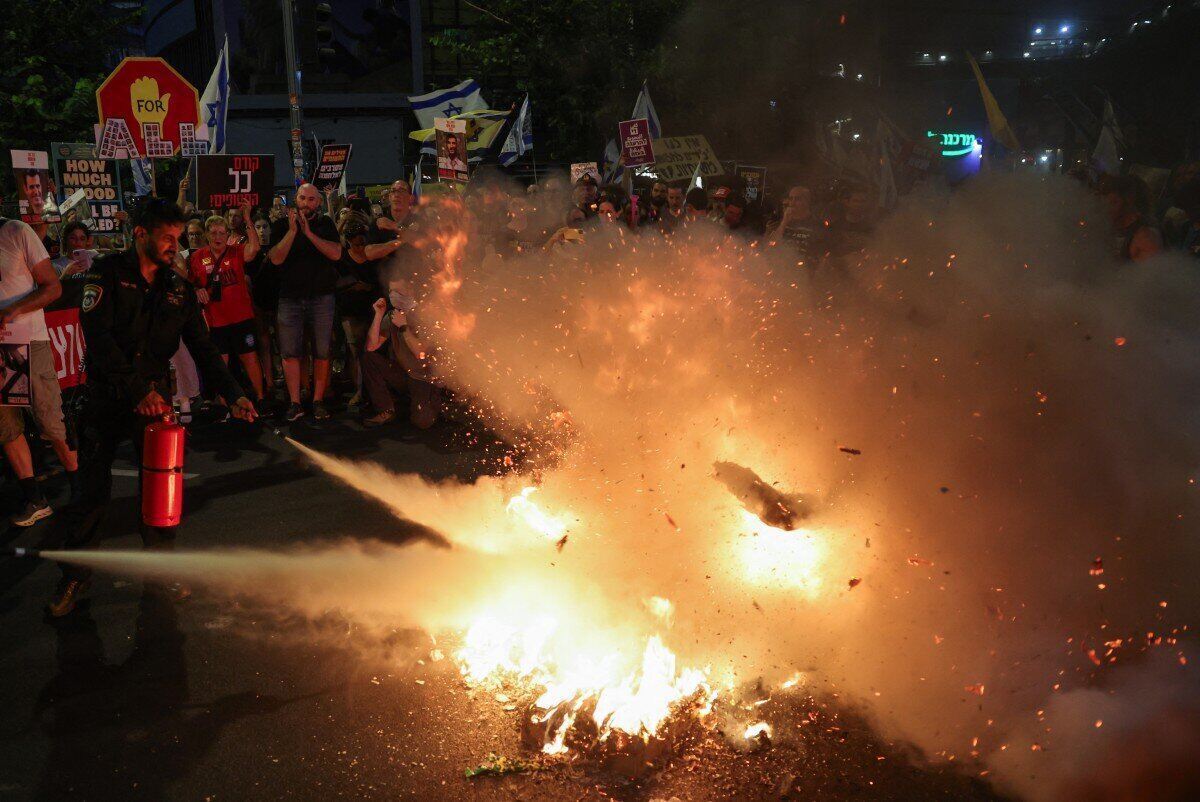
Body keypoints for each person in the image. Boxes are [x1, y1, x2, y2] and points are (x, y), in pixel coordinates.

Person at [47, 197, 256, 616]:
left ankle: (160, 574)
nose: (173, 247)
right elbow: (98, 337)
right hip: (107, 398)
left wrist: (234, 393)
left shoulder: (176, 288)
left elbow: (203, 347)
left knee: (162, 492)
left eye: (178, 239)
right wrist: (138, 389)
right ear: (140, 233)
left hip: (155, 405)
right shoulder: (104, 274)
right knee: (90, 493)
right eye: (166, 238)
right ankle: (75, 576)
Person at [0, 214, 80, 526]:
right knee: (6, 425)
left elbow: (53, 287)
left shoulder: (15, 231)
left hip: (26, 340)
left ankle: (79, 489)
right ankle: (34, 497)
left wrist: (12, 311)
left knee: (49, 420)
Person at [268, 183, 342, 422]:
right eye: (302, 198)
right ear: (295, 199)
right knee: (290, 352)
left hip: (321, 297)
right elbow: (276, 259)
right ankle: (295, 402)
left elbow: (336, 253)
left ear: (318, 203)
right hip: (289, 298)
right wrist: (292, 231)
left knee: (321, 350)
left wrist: (309, 233)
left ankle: (318, 400)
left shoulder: (325, 225)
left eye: (312, 199)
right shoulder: (281, 226)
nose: (306, 203)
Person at [188, 202, 265, 403]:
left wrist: (247, 218)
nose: (218, 237)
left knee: (249, 358)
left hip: (242, 318)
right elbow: (192, 283)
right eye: (213, 233)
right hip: (216, 321)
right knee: (220, 363)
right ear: (206, 235)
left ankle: (260, 399)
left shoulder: (236, 251)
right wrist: (197, 290)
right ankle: (225, 405)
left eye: (222, 233)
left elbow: (255, 248)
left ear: (226, 234)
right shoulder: (197, 257)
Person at [360, 281, 439, 429]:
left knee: (422, 422)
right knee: (369, 358)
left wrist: (404, 327)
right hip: (403, 373)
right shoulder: (393, 315)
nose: (393, 295)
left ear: (410, 290)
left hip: (423, 378)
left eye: (397, 291)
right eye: (391, 291)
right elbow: (371, 347)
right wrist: (378, 315)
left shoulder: (425, 315)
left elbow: (420, 353)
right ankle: (386, 409)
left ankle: (431, 402)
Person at [335, 212, 384, 406]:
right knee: (355, 352)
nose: (361, 248)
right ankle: (359, 391)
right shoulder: (343, 259)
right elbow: (336, 283)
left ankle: (373, 391)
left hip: (371, 311)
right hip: (351, 311)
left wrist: (369, 287)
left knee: (372, 352)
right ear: (348, 243)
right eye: (356, 245)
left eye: (363, 244)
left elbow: (380, 281)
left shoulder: (373, 258)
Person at [1102, 174, 1163, 262]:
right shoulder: (1114, 229)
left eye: (1114, 202)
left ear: (1130, 202)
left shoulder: (1145, 238)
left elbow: (1153, 274)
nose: (1106, 208)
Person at [768, 185, 824, 265]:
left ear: (807, 201)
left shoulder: (816, 226)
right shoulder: (781, 223)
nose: (793, 203)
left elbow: (821, 254)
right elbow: (770, 246)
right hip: (781, 271)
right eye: (791, 199)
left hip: (804, 273)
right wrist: (784, 222)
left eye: (798, 199)